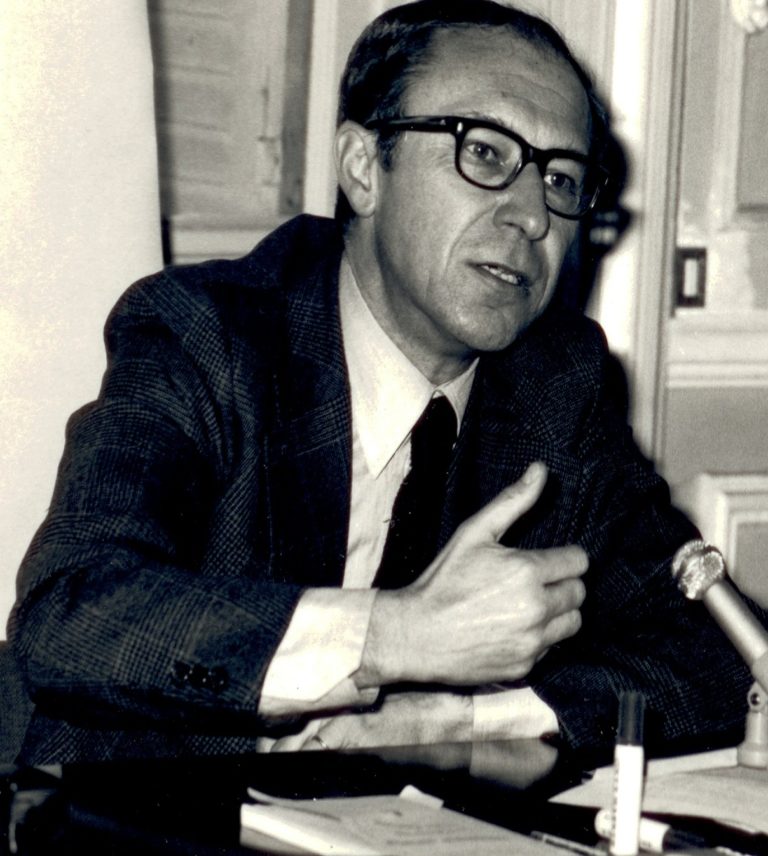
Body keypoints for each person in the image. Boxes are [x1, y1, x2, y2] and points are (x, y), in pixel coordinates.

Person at [8, 0, 758, 765]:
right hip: (144, 806)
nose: (533, 216)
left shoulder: (558, 381)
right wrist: (393, 636)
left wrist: (459, 721)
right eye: (486, 153)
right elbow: (69, 618)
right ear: (364, 169)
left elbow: (725, 652)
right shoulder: (207, 335)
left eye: (562, 179)